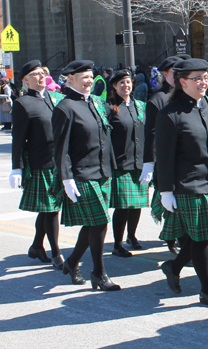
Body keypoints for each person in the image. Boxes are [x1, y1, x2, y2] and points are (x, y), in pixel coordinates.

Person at [155, 58, 208, 308]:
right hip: (188, 183)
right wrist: (165, 190)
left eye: (205, 77)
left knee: (198, 235)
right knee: (202, 238)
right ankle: (207, 290)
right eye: (196, 79)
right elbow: (164, 156)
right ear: (182, 82)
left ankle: (173, 266)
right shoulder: (170, 114)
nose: (203, 82)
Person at [52, 60, 120, 291]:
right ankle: (99, 273)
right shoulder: (65, 107)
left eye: (91, 76)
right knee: (100, 221)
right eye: (84, 77)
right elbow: (61, 148)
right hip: (82, 174)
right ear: (70, 79)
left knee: (92, 223)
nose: (89, 80)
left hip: (102, 171)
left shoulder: (95, 103)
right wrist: (66, 178)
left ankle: (72, 262)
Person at [10, 60, 65, 269]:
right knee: (51, 210)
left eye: (43, 73)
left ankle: (36, 247)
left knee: (48, 209)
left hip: (57, 162)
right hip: (40, 163)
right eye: (35, 74)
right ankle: (56, 253)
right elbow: (18, 139)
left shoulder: (52, 98)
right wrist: (17, 167)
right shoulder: (23, 103)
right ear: (25, 80)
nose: (41, 77)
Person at [142, 56, 184, 255]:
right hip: (164, 158)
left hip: (183, 157)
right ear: (165, 74)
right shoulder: (157, 99)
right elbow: (150, 134)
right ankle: (171, 236)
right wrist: (149, 163)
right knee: (169, 198)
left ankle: (180, 235)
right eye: (174, 73)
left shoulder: (185, 94)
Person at [107, 69, 149, 257]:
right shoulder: (109, 108)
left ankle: (132, 236)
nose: (126, 85)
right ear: (115, 87)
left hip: (139, 163)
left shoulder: (139, 106)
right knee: (123, 206)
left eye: (128, 82)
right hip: (121, 163)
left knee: (137, 204)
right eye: (121, 83)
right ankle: (117, 243)